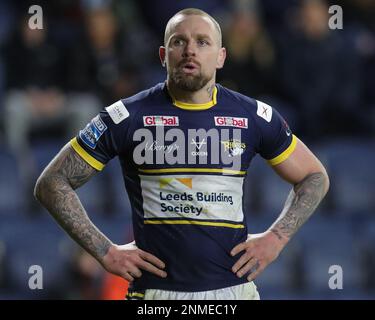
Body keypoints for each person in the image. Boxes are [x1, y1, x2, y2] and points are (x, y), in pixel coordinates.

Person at [34, 8, 329, 300]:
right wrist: (104, 251)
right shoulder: (126, 116)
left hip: (233, 293)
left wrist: (277, 238)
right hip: (156, 297)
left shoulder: (254, 116)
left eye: (203, 42)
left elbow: (314, 177)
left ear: (221, 56)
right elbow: (51, 182)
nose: (190, 50)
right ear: (163, 55)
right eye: (179, 41)